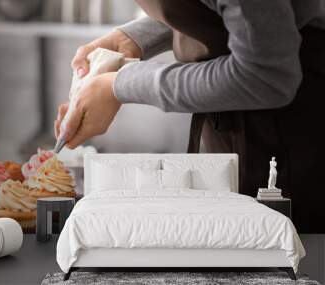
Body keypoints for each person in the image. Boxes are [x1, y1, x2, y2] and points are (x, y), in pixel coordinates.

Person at [54, 0, 325, 233]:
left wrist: (119, 86)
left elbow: (266, 76)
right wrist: (134, 38)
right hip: (236, 125)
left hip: (297, 138)